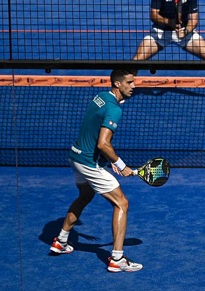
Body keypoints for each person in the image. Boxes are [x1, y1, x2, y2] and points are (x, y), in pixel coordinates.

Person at [50, 70, 143, 273]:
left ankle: (61, 241)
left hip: (75, 156)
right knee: (122, 203)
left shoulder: (101, 97)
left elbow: (91, 133)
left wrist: (105, 162)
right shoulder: (114, 110)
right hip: (88, 163)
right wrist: (120, 165)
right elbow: (103, 143)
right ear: (118, 84)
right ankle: (117, 259)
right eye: (129, 82)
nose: (134, 86)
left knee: (85, 195)